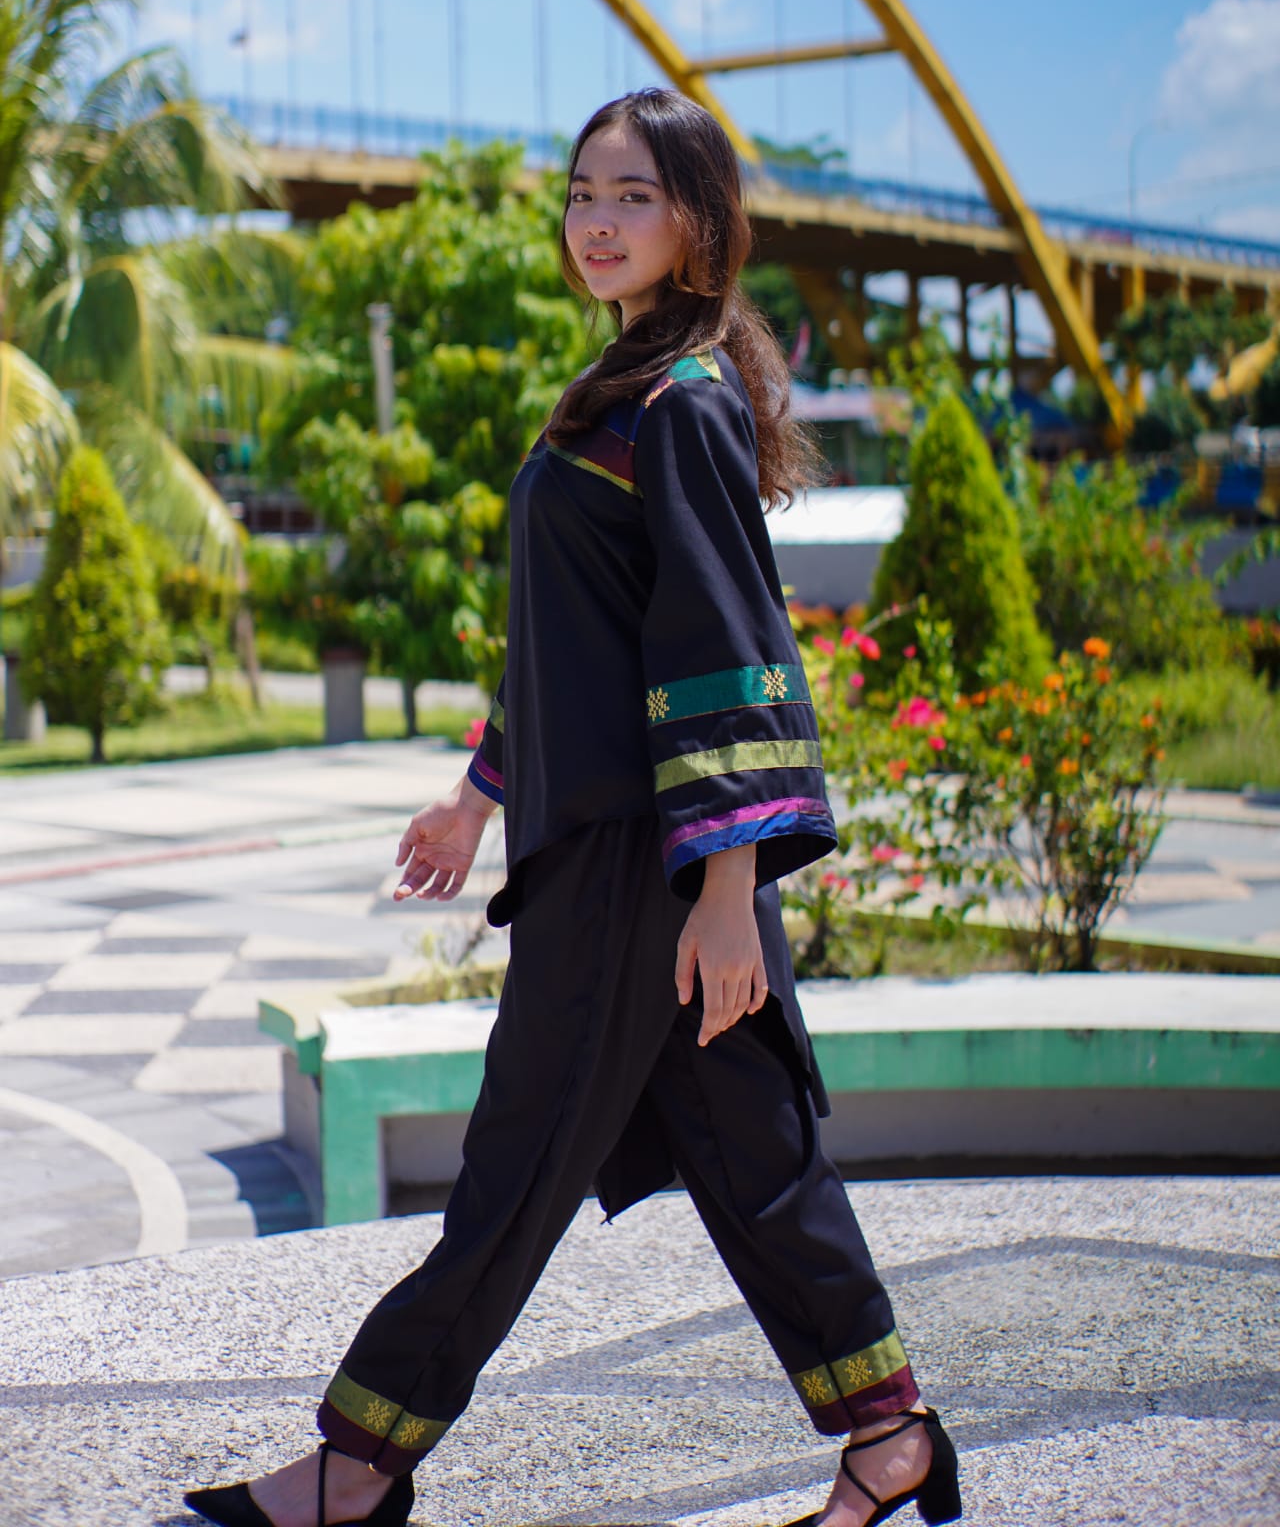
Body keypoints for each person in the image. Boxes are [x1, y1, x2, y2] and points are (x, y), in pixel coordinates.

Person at [184, 88, 961, 1527]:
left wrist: (728, 895)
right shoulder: (625, 385)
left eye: (634, 197)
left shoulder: (682, 403)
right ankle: (891, 1432)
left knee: (518, 1164)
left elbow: (726, 642)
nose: (597, 222)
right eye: (584, 193)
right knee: (758, 1159)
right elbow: (578, 644)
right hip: (628, 853)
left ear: (698, 225)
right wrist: (477, 795)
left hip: (636, 873)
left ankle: (359, 1462)